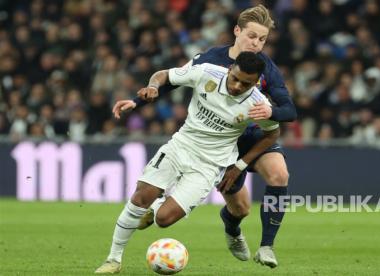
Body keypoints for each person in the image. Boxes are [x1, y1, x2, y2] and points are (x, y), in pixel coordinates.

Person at [132, 4, 296, 268]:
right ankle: (232, 229)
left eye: (262, 39)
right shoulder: (210, 59)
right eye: (252, 36)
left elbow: (289, 110)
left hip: (254, 137)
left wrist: (271, 110)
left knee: (280, 174)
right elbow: (172, 81)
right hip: (219, 143)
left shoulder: (266, 68)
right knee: (240, 209)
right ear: (237, 31)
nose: (256, 44)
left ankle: (266, 247)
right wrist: (135, 102)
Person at [95, 52, 280, 274]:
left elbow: (272, 134)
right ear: (230, 68)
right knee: (140, 197)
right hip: (180, 146)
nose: (238, 86)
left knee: (164, 219)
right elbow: (163, 75)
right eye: (236, 78)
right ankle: (113, 260)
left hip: (210, 166)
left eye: (246, 83)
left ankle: (156, 207)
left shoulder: (258, 104)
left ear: (257, 82)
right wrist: (153, 86)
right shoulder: (206, 72)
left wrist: (241, 164)